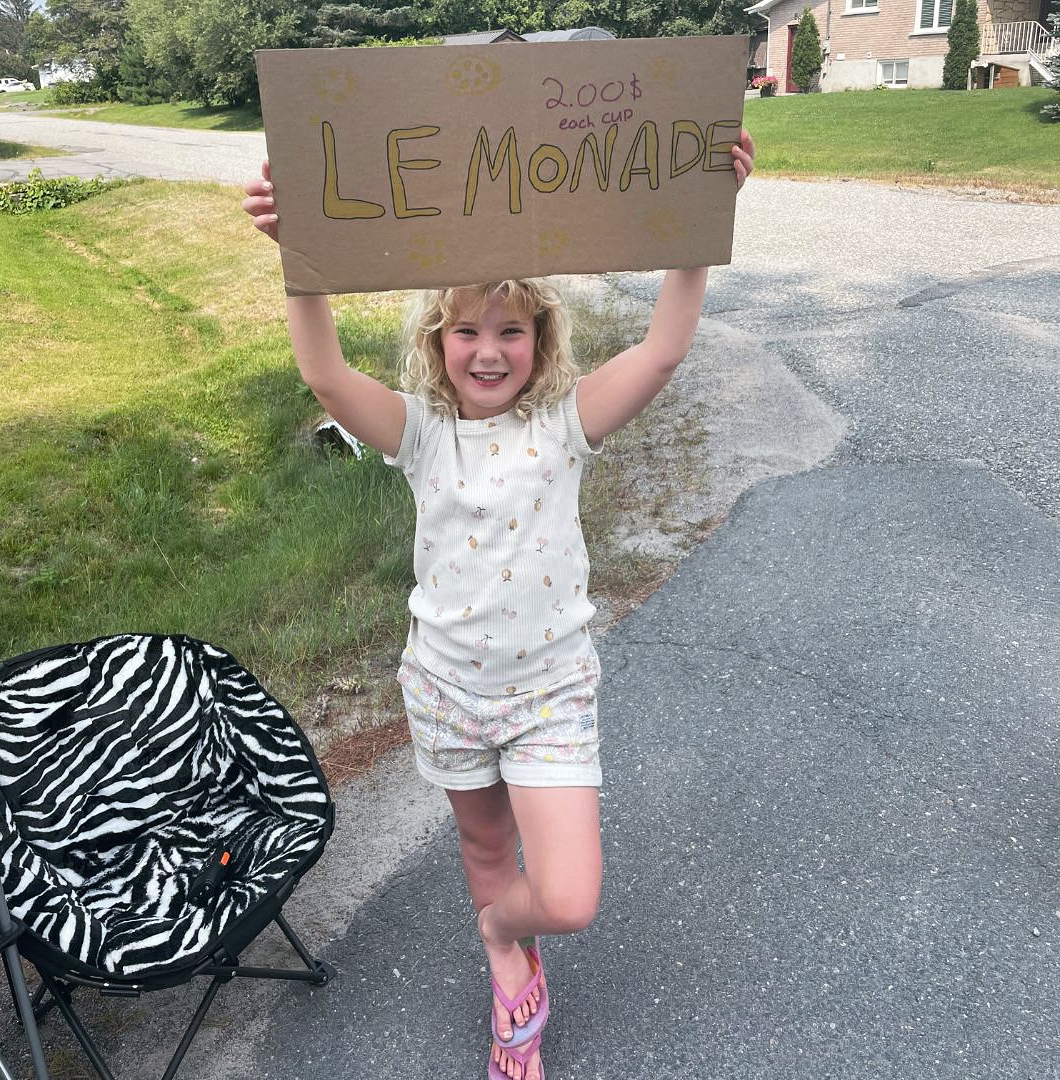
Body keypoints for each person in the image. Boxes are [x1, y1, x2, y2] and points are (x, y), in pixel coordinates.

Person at [242, 128, 755, 1080]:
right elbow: (322, 373)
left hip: (551, 690)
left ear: (542, 340)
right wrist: (299, 254)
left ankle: (502, 929)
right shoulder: (420, 431)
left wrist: (700, 219)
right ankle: (505, 965)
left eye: (510, 330)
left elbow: (664, 347)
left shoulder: (566, 422)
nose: (488, 350)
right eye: (467, 330)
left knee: (564, 895)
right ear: (438, 342)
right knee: (485, 844)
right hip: (445, 689)